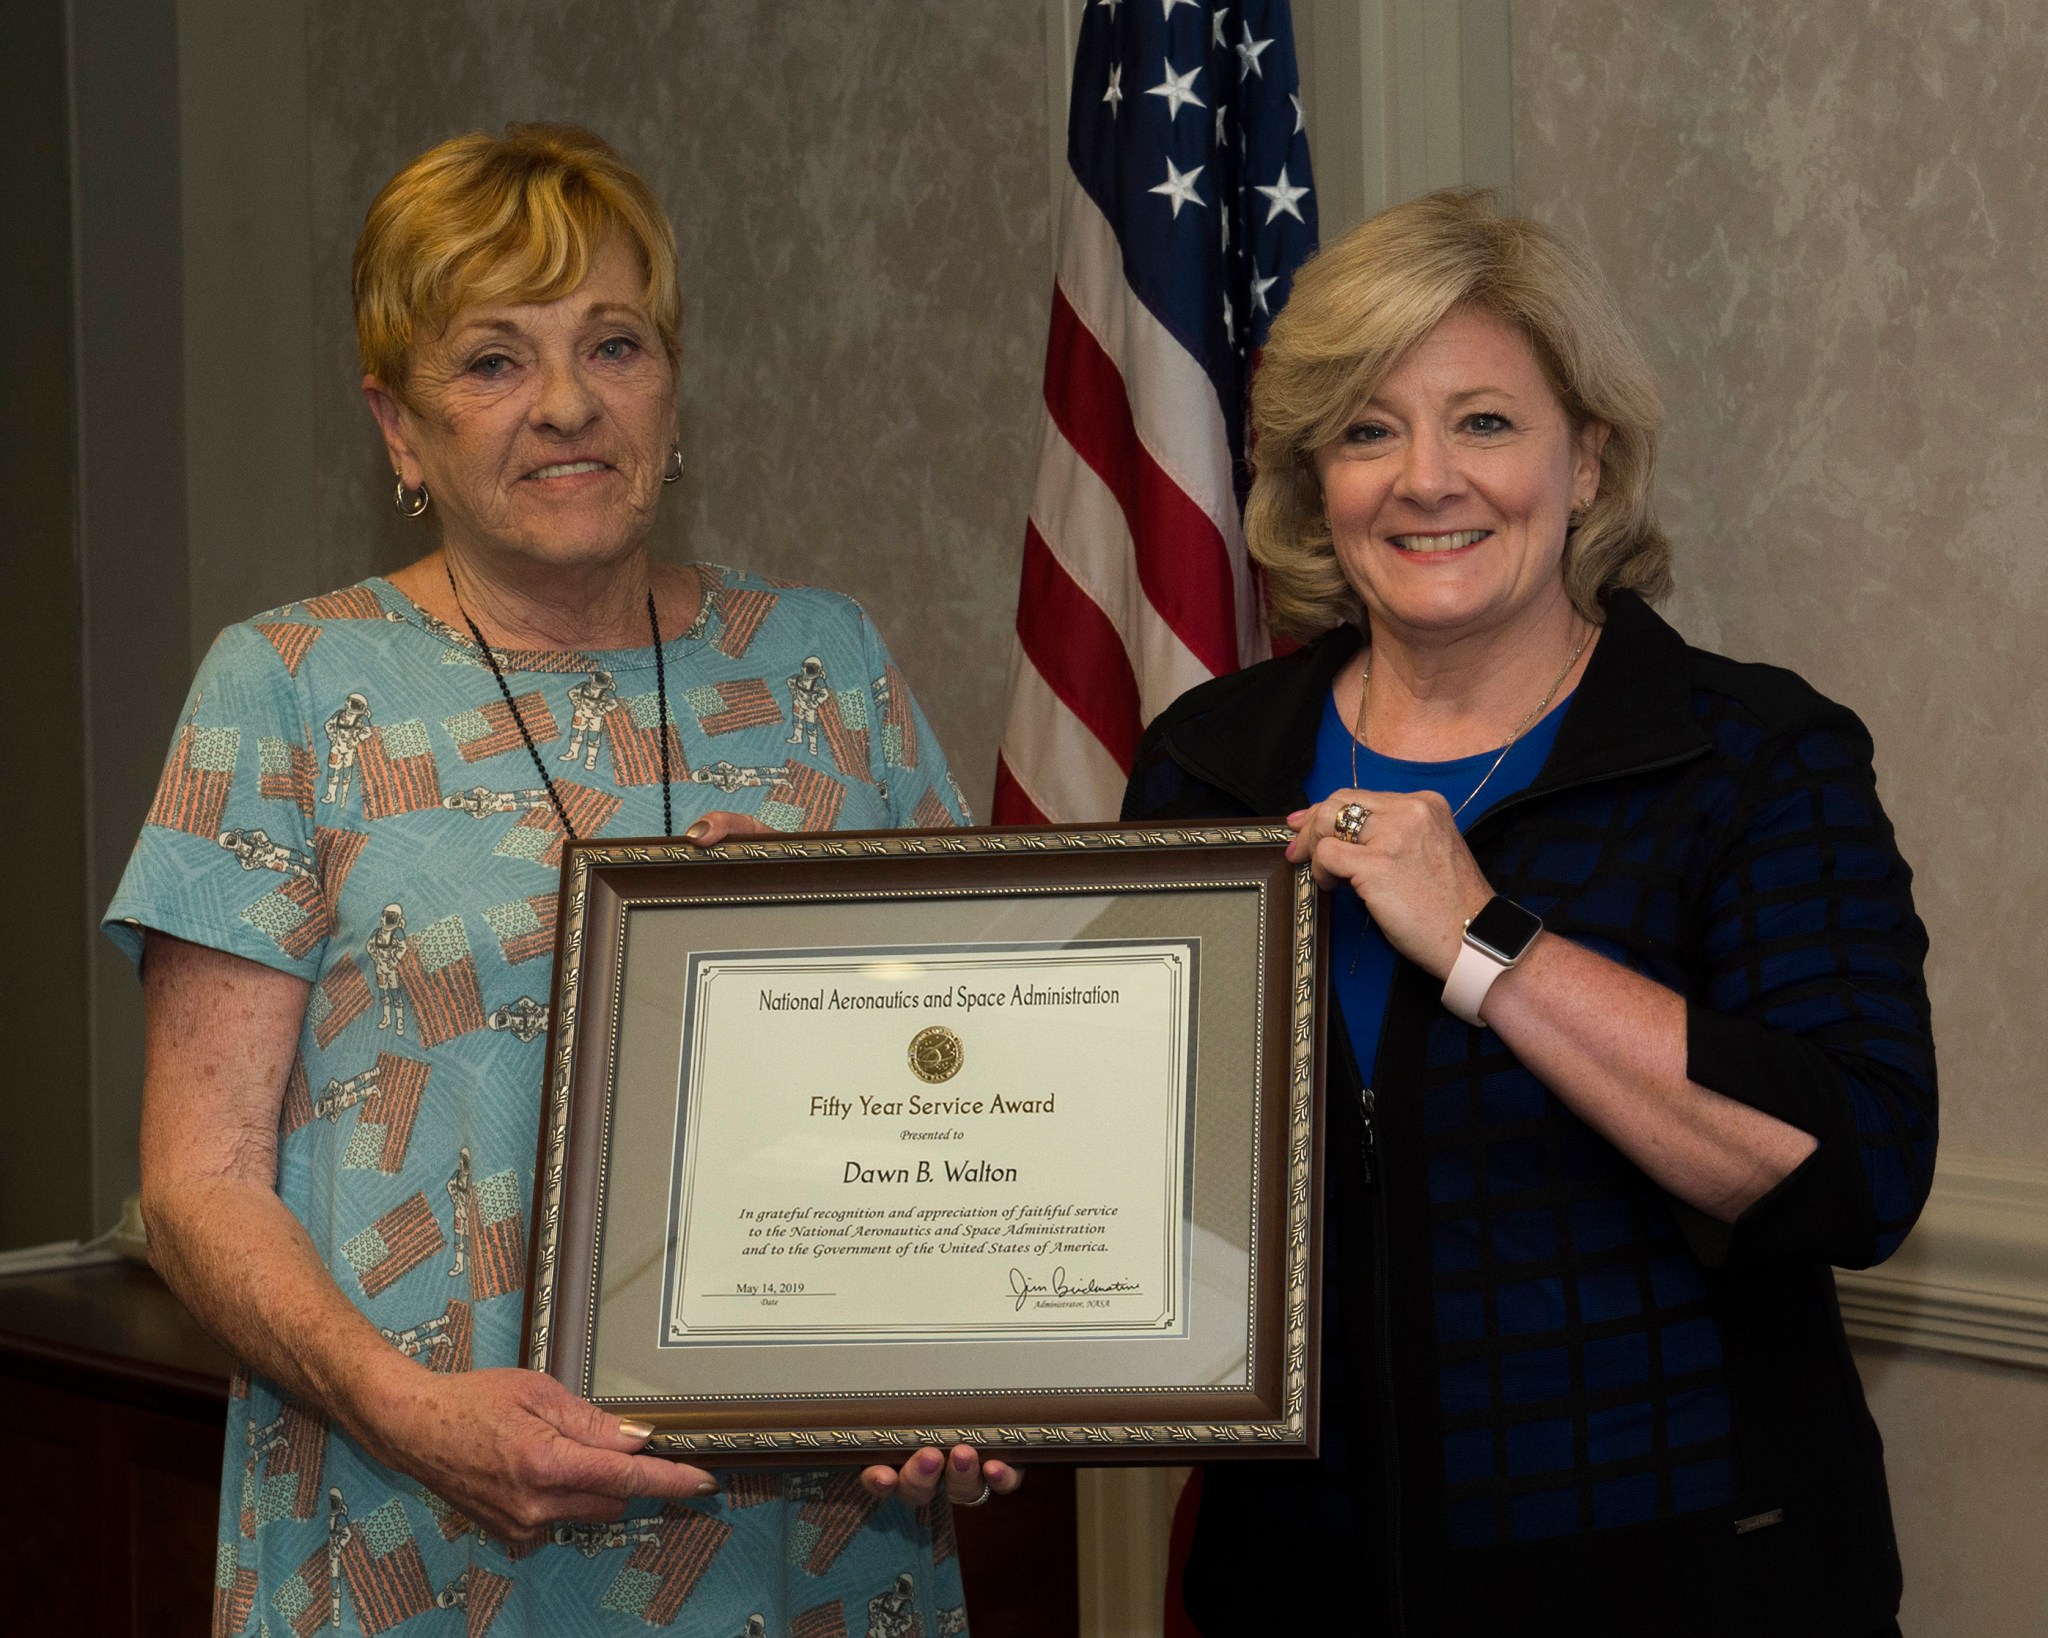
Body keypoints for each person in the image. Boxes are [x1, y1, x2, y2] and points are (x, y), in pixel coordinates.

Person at [109, 123, 1013, 1638]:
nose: (570, 403)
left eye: (614, 342)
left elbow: (972, 1077)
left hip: (816, 1563)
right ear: (399, 430)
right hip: (421, 1535)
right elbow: (196, 1183)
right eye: (493, 361)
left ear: (673, 387)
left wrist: (975, 1372)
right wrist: (411, 1412)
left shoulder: (826, 669)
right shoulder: (281, 687)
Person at [1123, 189, 1934, 1636]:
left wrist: (1488, 941)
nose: (1428, 478)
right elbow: (1130, 1174)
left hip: (1681, 1581)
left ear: (1589, 455)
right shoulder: (1209, 765)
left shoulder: (1748, 756)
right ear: (1317, 479)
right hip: (1296, 1585)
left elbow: (1854, 1167)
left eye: (1485, 422)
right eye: (1370, 430)